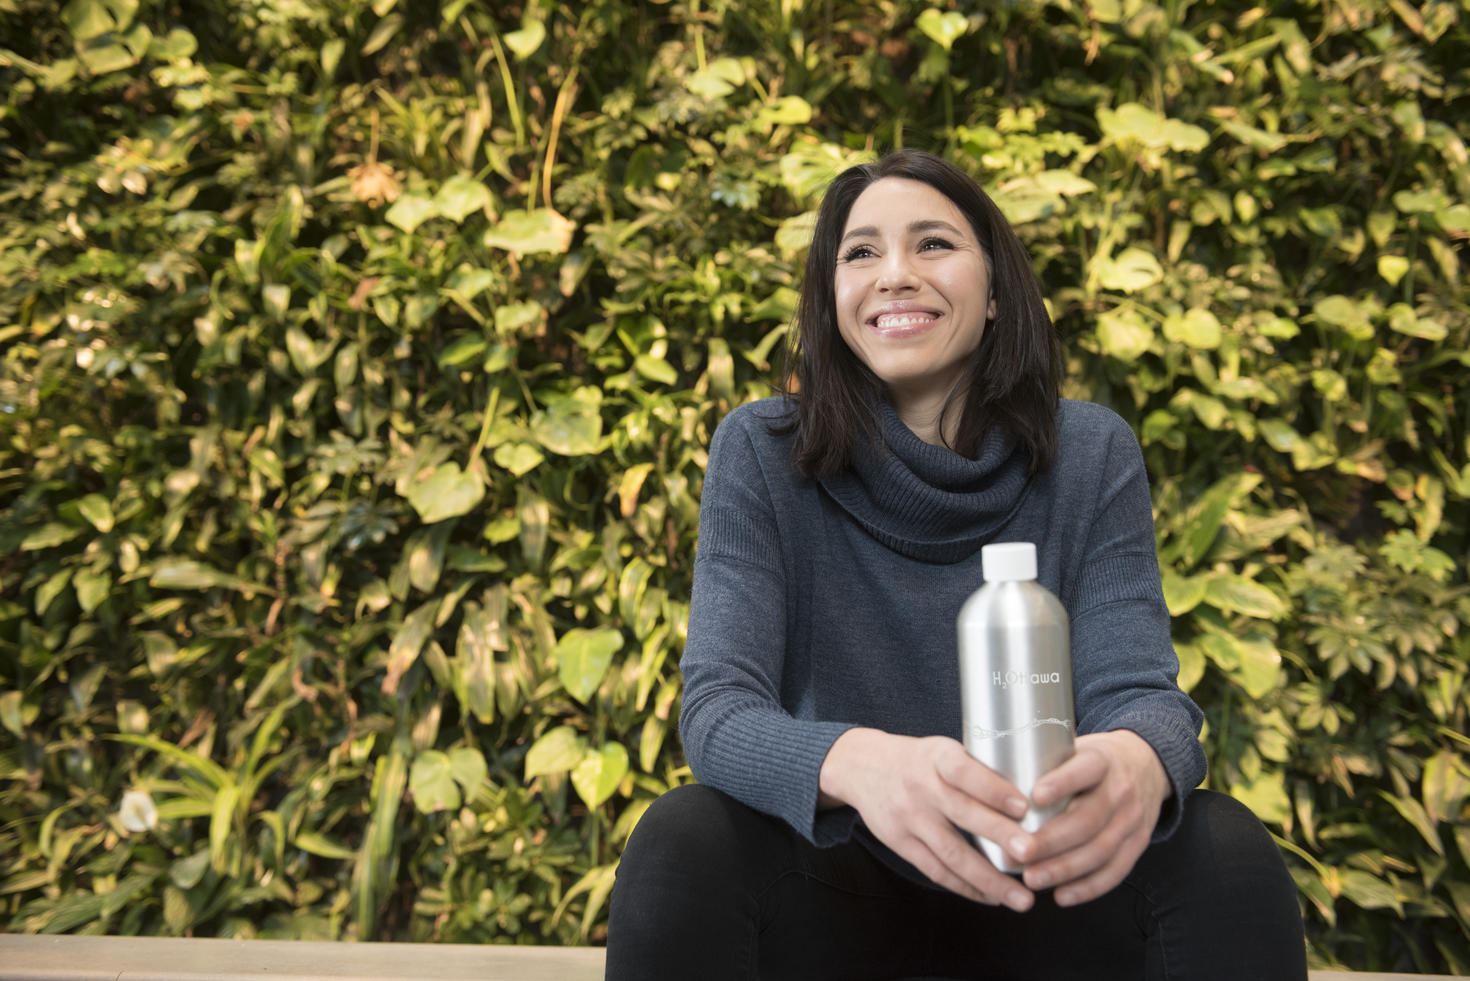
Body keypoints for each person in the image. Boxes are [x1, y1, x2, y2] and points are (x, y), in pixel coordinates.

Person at [605, 149, 1306, 980]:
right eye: (860, 253)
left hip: (1047, 886)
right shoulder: (762, 452)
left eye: (933, 243)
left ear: (999, 290)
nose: (894, 274)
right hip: (837, 895)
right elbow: (719, 710)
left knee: (1223, 844)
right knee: (685, 837)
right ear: (833, 303)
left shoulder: (1090, 452)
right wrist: (868, 765)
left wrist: (1138, 762)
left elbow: (1142, 696)